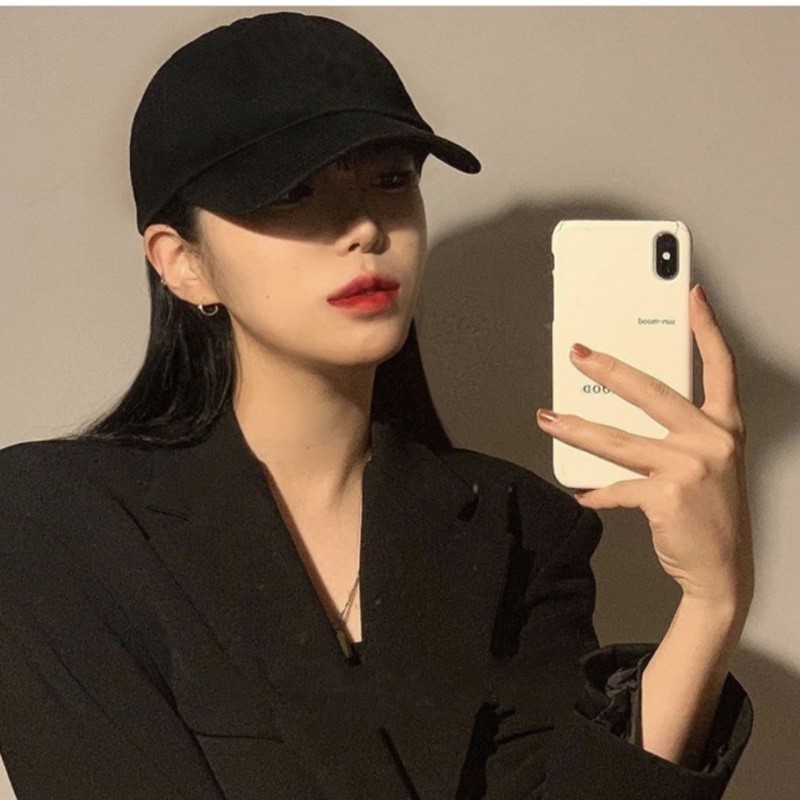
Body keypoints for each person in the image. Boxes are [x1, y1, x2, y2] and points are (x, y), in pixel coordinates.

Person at [0, 11, 754, 800]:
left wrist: (713, 602)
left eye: (391, 180)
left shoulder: (521, 529)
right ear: (183, 263)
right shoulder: (54, 523)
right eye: (292, 191)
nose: (363, 227)